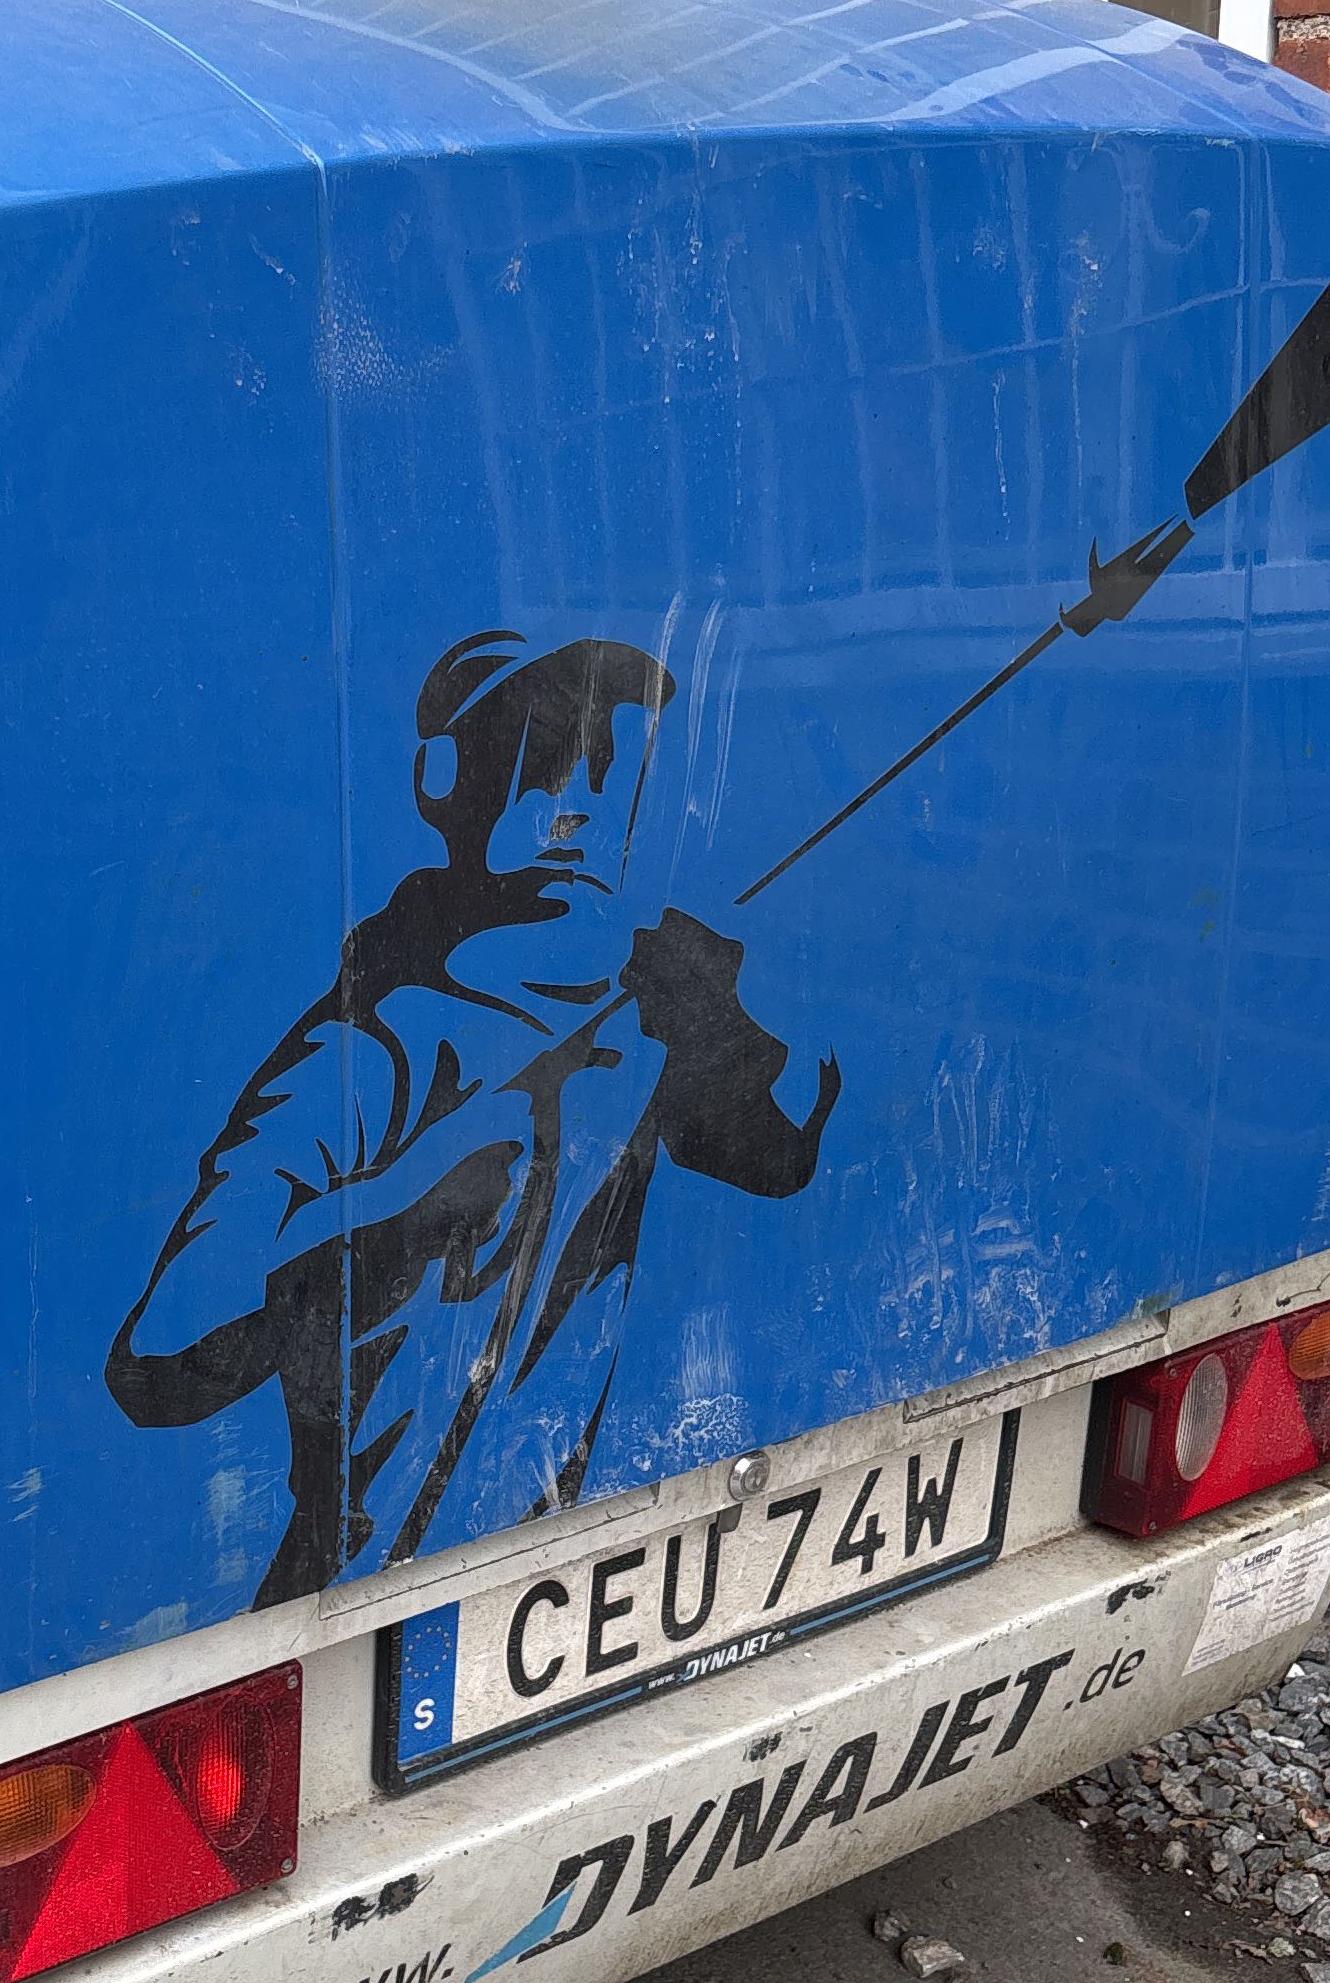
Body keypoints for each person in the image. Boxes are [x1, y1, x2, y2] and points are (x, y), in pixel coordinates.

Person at [106, 629, 840, 1605]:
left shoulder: (643, 991)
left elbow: (782, 1159)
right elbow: (161, 1363)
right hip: (360, 1597)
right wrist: (430, 1178)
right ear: (445, 782)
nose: (582, 804)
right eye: (541, 756)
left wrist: (751, 1019)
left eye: (612, 765)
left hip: (557, 1564)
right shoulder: (375, 1048)